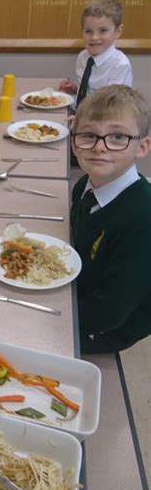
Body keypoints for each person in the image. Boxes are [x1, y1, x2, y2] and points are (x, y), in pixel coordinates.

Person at [70, 85, 151, 354]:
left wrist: (54, 314)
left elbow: (111, 311)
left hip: (109, 327)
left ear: (143, 146)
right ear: (73, 142)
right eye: (89, 135)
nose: (99, 147)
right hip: (81, 290)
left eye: (117, 137)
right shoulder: (83, 186)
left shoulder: (142, 216)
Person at [59, 0, 133, 106]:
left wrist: (84, 119)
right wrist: (76, 89)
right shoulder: (83, 57)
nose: (94, 37)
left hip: (100, 120)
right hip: (78, 112)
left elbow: (112, 108)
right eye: (88, 31)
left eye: (103, 31)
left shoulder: (120, 66)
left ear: (117, 31)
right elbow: (90, 92)